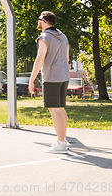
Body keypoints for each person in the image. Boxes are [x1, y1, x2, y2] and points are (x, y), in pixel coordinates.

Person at [29, 11, 70, 154]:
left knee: (54, 109)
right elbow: (67, 58)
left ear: (44, 22)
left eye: (39, 19)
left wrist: (31, 80)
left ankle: (60, 143)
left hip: (52, 77)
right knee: (61, 108)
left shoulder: (44, 37)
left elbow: (40, 59)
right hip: (64, 76)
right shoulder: (63, 37)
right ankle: (63, 140)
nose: (38, 22)